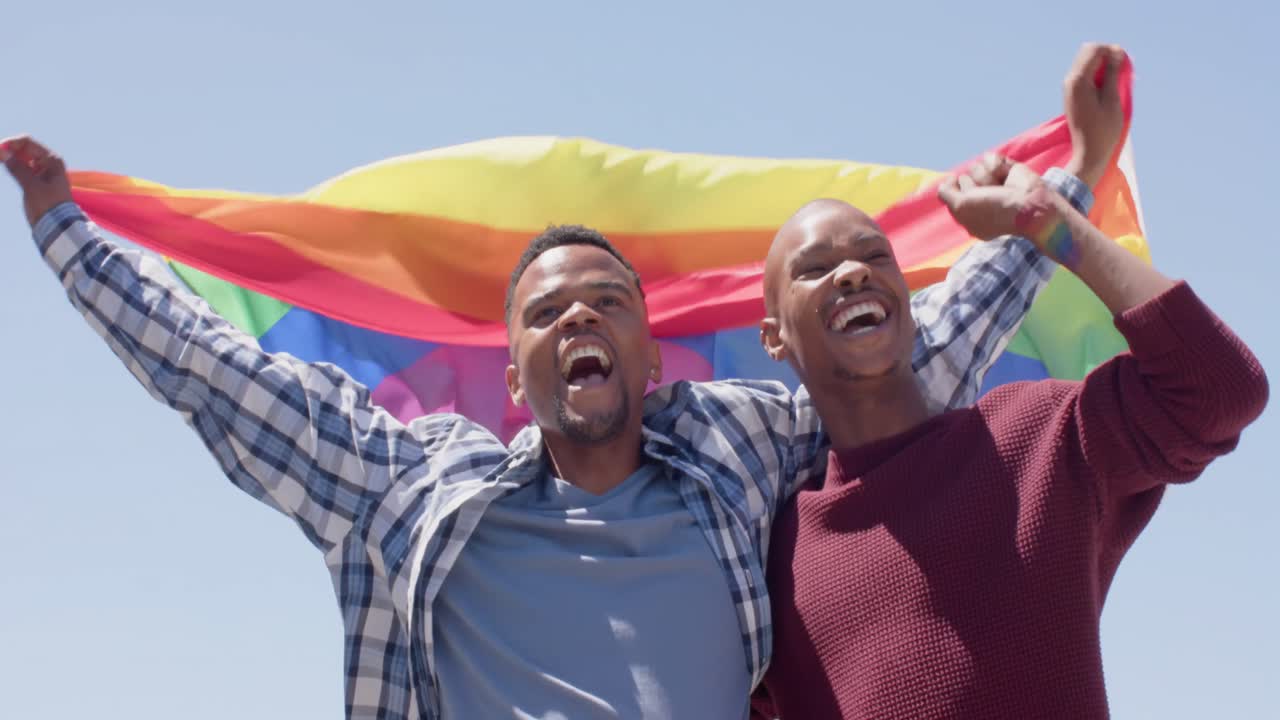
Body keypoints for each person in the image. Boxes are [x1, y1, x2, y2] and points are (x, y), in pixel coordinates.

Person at [3, 45, 1114, 720]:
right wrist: (66, 233)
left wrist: (1072, 182)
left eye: (606, 304)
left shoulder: (738, 453)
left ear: (646, 355)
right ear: (515, 376)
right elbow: (220, 374)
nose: (577, 316)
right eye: (545, 312)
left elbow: (890, 362)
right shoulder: (412, 491)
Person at [754, 51, 1269, 719]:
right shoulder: (775, 555)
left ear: (911, 303)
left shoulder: (1039, 436)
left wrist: (1046, 220)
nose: (851, 274)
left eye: (874, 256)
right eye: (815, 268)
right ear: (773, 338)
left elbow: (1220, 389)